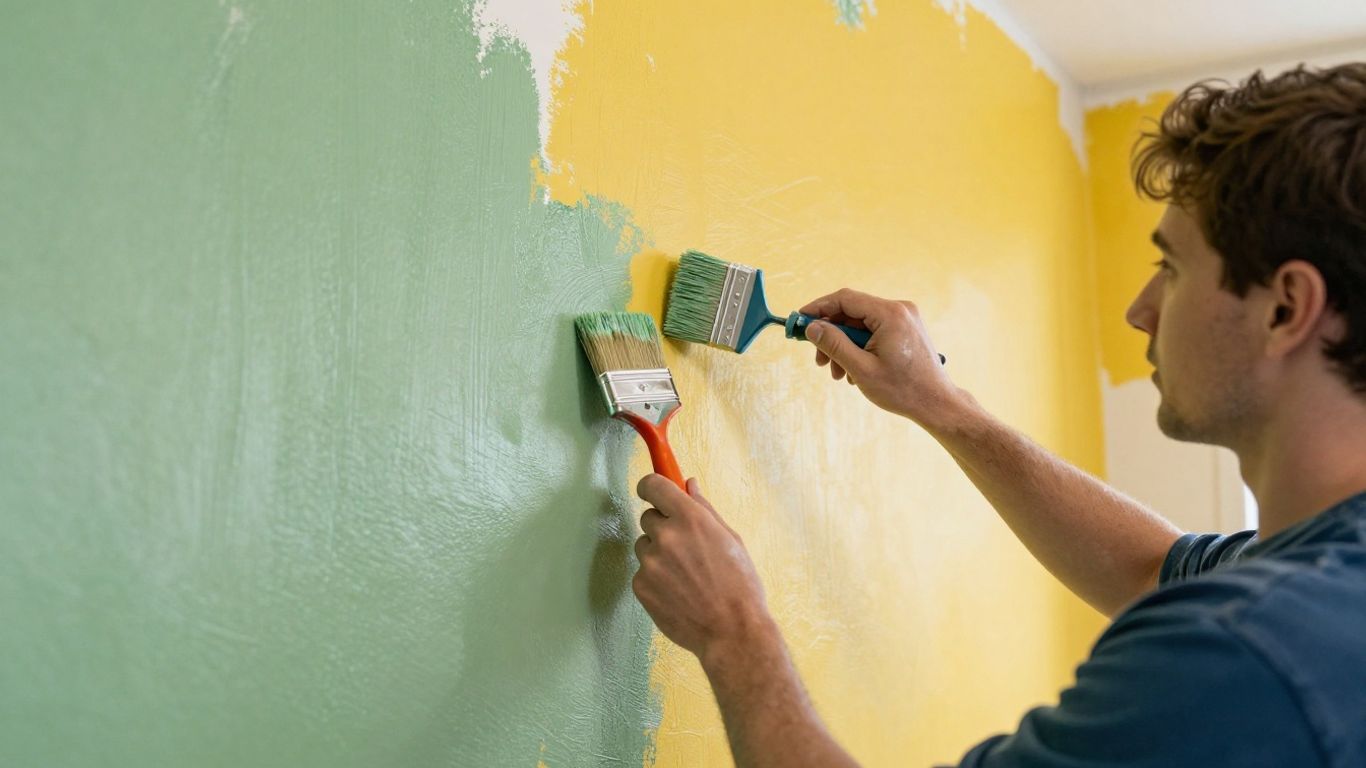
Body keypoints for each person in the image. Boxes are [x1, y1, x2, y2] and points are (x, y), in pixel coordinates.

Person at [630, 63, 1366, 767]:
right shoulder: (1320, 579)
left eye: (1170, 268)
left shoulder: (1248, 652)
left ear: (1285, 308)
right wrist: (943, 406)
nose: (1140, 311)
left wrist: (734, 632)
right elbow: (1153, 570)